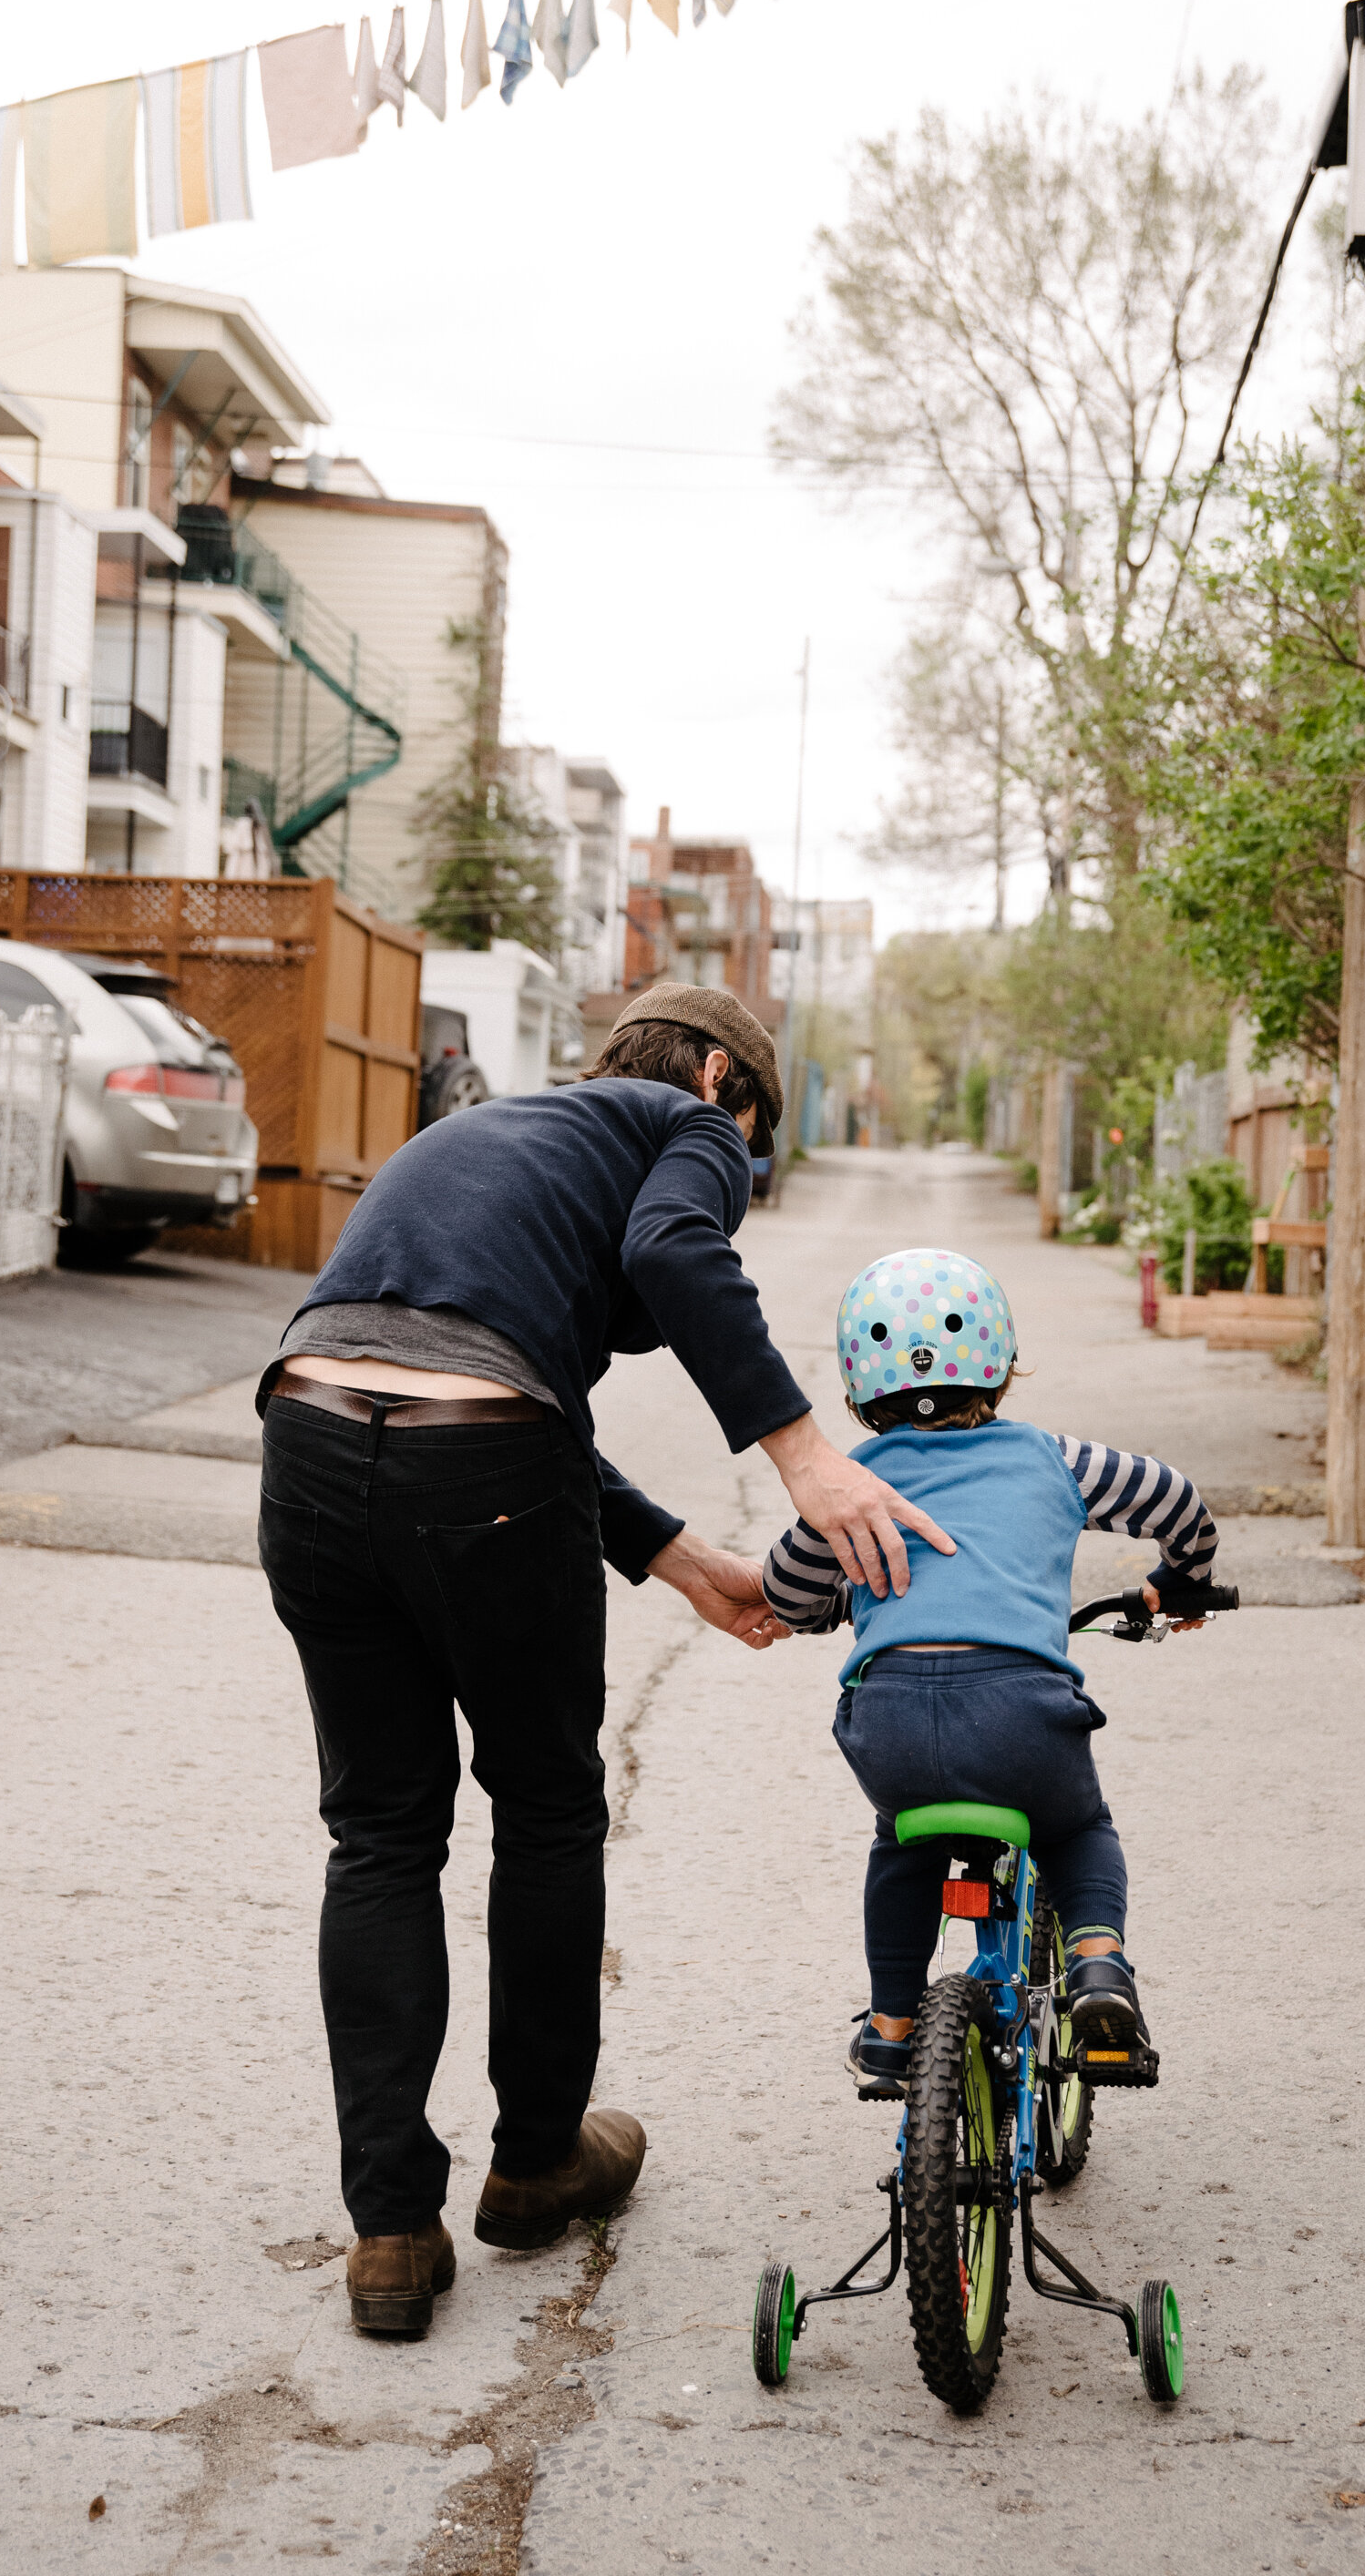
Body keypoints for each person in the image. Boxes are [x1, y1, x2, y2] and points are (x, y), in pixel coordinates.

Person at [254, 985, 955, 2338]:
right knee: (545, 1809)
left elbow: (463, 1370)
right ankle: (533, 2164)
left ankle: (390, 2232)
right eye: (750, 1149)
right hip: (484, 1455)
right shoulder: (681, 1122)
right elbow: (675, 1258)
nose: (739, 1175)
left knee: (382, 1836)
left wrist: (684, 1560)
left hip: (311, 1431)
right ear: (716, 1080)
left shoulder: (491, 1134)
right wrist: (808, 1462)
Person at [758, 1246, 1216, 2098]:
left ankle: (893, 2026)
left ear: (859, 1391)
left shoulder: (849, 1484)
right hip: (1022, 1714)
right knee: (1076, 1830)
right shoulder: (1056, 1459)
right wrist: (1178, 1580)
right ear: (1000, 1368)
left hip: (888, 1721)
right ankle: (1097, 1965)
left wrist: (824, 1605)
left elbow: (786, 1592)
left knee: (902, 1840)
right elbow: (1176, 1500)